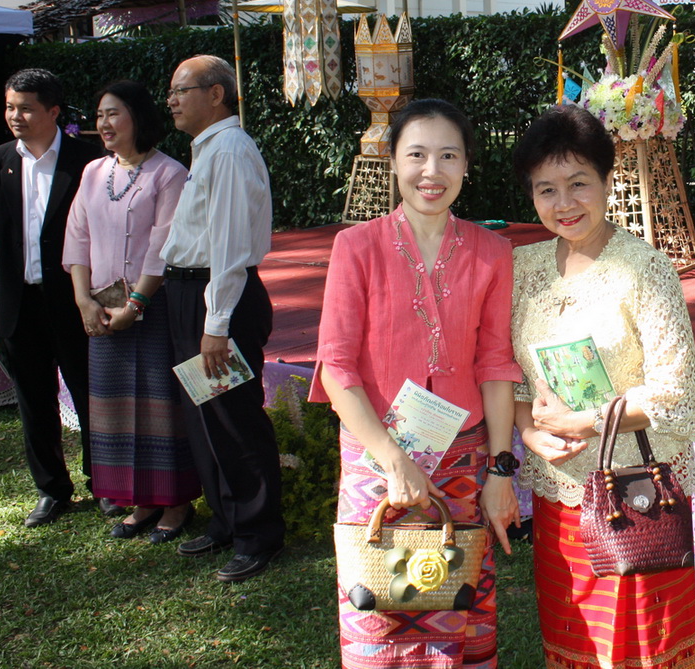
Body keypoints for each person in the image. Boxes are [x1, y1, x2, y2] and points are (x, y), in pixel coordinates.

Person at [311, 98, 522, 669]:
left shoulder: (493, 252)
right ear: (393, 161)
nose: (432, 171)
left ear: (466, 166)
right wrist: (392, 460)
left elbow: (497, 365)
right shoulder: (355, 247)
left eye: (448, 155)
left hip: (462, 460)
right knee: (377, 611)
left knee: (458, 609)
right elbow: (337, 369)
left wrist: (501, 471)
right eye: (418, 155)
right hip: (375, 459)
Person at [511, 104, 695, 669]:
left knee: (644, 645)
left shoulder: (646, 269)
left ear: (607, 181)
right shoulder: (525, 268)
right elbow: (512, 373)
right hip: (558, 492)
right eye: (546, 190)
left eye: (578, 184)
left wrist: (585, 422)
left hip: (638, 494)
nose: (563, 203)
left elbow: (676, 396)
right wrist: (529, 431)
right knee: (575, 642)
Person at [159, 55, 284, 582]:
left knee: (235, 418)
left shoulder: (229, 150)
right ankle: (228, 518)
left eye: (181, 89)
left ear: (216, 94)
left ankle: (258, 533)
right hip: (196, 294)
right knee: (206, 415)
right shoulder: (210, 149)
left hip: (219, 299)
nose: (171, 100)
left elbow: (229, 246)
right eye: (170, 91)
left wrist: (217, 323)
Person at [63, 80, 199, 543]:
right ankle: (140, 501)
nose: (103, 123)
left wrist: (137, 302)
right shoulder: (93, 172)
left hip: (154, 308)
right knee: (116, 407)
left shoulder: (169, 174)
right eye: (99, 115)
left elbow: (164, 245)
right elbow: (76, 237)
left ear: (138, 118)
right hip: (100, 310)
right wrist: (83, 299)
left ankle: (175, 503)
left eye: (113, 113)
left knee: (160, 406)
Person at [0, 67, 111, 527]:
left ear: (53, 111)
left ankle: (105, 483)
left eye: (26, 107)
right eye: (10, 107)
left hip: (74, 300)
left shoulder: (88, 161)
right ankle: (51, 489)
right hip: (18, 304)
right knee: (33, 401)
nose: (16, 116)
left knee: (90, 394)